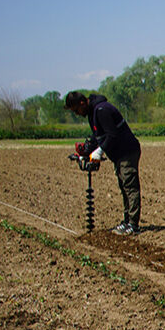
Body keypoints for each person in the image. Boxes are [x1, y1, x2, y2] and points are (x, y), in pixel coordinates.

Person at [64, 91, 142, 235]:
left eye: (76, 110)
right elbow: (97, 137)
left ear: (82, 103)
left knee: (130, 187)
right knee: (124, 187)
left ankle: (133, 225)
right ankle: (127, 221)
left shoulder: (102, 110)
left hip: (127, 151)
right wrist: (86, 152)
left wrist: (100, 151)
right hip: (118, 155)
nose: (77, 114)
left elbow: (112, 135)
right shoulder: (93, 113)